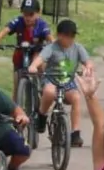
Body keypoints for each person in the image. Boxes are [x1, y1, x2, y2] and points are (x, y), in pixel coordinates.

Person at [28, 18, 92, 148]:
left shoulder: (78, 48)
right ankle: (42, 115)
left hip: (67, 81)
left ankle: (75, 133)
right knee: (49, 92)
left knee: (76, 97)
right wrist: (33, 66)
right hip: (51, 79)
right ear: (59, 35)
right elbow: (40, 58)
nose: (69, 39)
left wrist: (87, 68)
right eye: (66, 35)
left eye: (72, 36)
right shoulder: (51, 47)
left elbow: (88, 62)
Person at [0, 0, 51, 73]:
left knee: (39, 60)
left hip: (36, 52)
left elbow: (50, 38)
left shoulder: (42, 25)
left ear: (38, 13)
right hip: (21, 52)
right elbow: (6, 30)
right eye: (25, 14)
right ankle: (21, 83)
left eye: (31, 14)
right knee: (17, 61)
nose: (27, 17)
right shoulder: (18, 21)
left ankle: (43, 82)